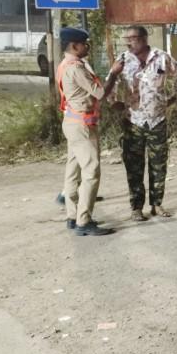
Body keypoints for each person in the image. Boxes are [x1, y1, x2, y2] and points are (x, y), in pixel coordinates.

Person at [110, 26, 177, 221]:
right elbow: (112, 80)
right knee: (134, 166)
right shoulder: (123, 59)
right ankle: (136, 207)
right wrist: (113, 101)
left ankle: (156, 204)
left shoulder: (161, 58)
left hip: (157, 120)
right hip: (133, 120)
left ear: (143, 39)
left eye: (132, 38)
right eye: (126, 39)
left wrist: (175, 97)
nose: (128, 42)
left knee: (158, 164)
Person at [57, 27, 123, 236]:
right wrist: (114, 73)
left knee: (73, 169)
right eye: (84, 44)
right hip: (82, 126)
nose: (87, 47)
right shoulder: (76, 68)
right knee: (91, 172)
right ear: (74, 46)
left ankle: (72, 216)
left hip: (72, 122)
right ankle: (83, 221)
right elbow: (100, 93)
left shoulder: (65, 64)